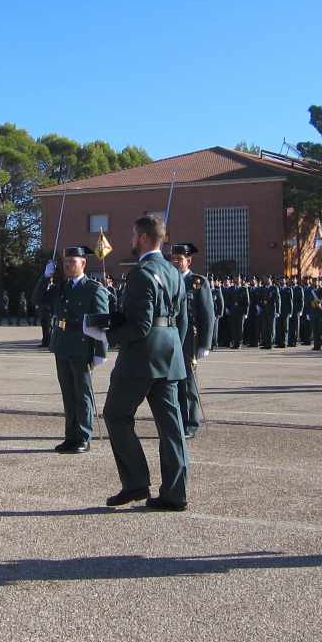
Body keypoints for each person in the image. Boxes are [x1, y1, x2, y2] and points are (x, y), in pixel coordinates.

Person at [84, 215, 189, 511]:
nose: (130, 240)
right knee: (171, 427)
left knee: (116, 415)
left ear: (143, 237)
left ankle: (135, 482)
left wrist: (106, 334)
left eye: (132, 234)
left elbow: (141, 326)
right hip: (169, 355)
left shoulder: (141, 273)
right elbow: (179, 320)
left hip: (141, 358)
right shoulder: (173, 272)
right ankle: (175, 492)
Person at [36, 245, 109, 453]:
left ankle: (83, 437)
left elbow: (101, 322)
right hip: (62, 345)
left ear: (83, 263)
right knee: (68, 394)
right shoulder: (60, 287)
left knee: (82, 394)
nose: (68, 266)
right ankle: (71, 436)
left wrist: (100, 351)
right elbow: (38, 299)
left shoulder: (94, 289)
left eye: (72, 262)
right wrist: (45, 277)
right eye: (65, 262)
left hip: (82, 346)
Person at [168, 243, 214, 440]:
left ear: (189, 261)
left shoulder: (197, 282)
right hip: (171, 336)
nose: (176, 262)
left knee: (188, 381)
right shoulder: (169, 280)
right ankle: (178, 420)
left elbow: (208, 314)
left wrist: (205, 343)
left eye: (179, 259)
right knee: (173, 381)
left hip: (190, 339)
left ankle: (192, 422)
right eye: (173, 259)